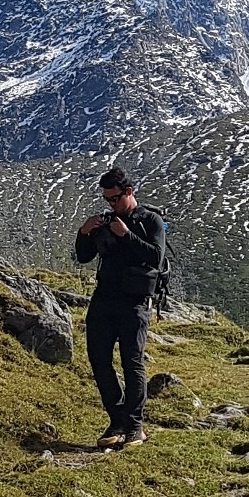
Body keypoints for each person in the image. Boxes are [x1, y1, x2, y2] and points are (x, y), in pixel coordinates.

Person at [74, 165, 166, 449]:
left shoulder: (151, 220)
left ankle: (135, 426)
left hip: (135, 302)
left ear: (129, 192)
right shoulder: (107, 221)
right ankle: (117, 420)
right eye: (107, 200)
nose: (111, 204)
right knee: (98, 359)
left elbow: (156, 258)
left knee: (132, 361)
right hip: (104, 298)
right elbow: (83, 256)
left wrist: (126, 235)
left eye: (115, 199)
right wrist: (84, 232)